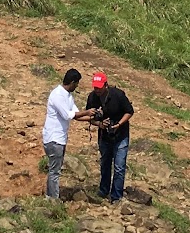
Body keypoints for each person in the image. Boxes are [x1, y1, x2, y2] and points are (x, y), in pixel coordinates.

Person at [83, 71, 134, 203]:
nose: (97, 90)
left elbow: (129, 111)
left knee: (119, 166)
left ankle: (116, 195)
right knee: (105, 163)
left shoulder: (118, 95)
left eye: (99, 87)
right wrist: (100, 124)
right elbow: (89, 117)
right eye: (95, 87)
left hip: (121, 135)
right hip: (104, 136)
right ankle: (103, 189)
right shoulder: (92, 97)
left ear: (106, 85)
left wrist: (118, 124)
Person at [41, 68, 90, 200]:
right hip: (54, 138)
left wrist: (94, 119)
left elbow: (76, 114)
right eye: (77, 83)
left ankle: (51, 196)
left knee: (55, 170)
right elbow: (67, 115)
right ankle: (52, 198)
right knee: (55, 171)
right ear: (72, 82)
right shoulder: (57, 95)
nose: (77, 86)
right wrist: (87, 112)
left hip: (60, 139)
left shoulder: (68, 96)